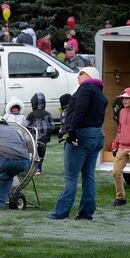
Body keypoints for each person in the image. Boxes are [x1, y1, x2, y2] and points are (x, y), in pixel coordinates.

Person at [49, 66, 108, 220]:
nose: (77, 77)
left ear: (88, 75)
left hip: (82, 134)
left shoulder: (86, 87)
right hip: (97, 135)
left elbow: (79, 110)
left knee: (71, 178)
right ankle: (86, 213)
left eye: (80, 74)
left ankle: (61, 213)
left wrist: (72, 132)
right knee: (89, 176)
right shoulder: (100, 93)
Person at [26, 92, 54, 175]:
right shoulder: (48, 114)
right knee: (41, 154)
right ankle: (39, 169)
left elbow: (26, 125)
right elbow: (52, 126)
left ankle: (33, 169)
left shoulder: (31, 114)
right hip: (44, 139)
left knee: (33, 153)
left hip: (33, 138)